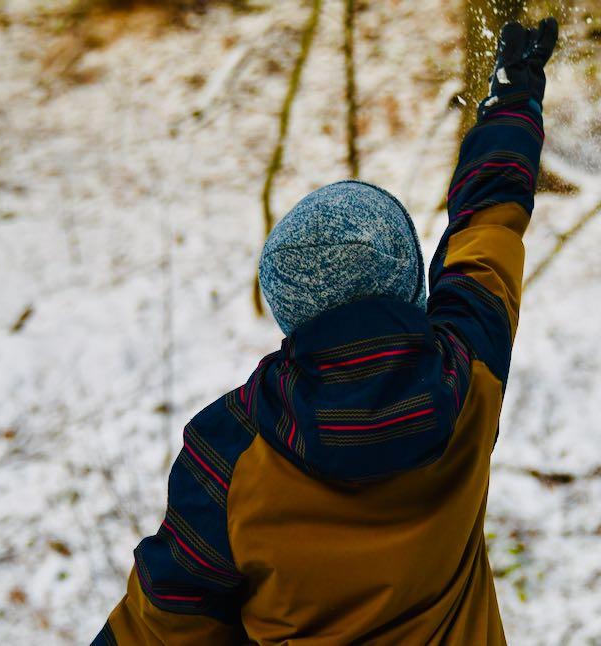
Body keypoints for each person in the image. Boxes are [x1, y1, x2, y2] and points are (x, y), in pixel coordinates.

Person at [94, 17, 557, 645]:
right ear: (411, 288)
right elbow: (488, 225)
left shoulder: (230, 452)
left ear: (292, 315)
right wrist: (514, 100)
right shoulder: (468, 377)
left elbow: (162, 627)